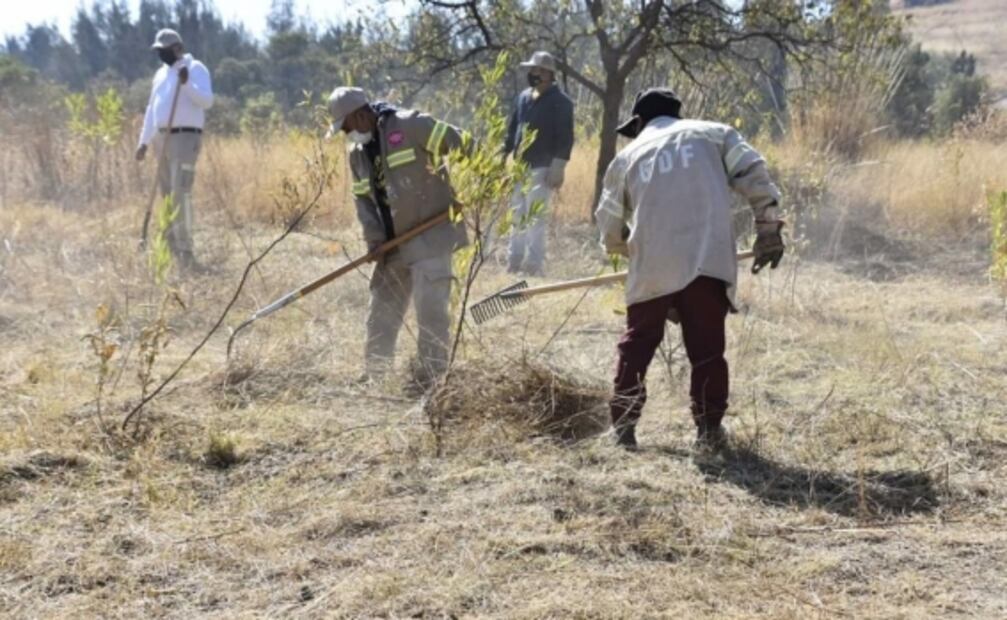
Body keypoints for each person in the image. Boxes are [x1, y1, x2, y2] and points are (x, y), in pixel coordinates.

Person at [595, 88, 785, 452]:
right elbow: (755, 174)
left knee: (637, 346)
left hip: (653, 265)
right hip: (707, 258)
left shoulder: (627, 156)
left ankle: (623, 431)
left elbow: (609, 224)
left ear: (639, 122)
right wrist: (768, 228)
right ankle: (709, 433)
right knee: (708, 349)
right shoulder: (715, 134)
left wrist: (624, 250)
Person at [328, 86, 467, 390]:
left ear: (360, 114)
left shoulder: (410, 125)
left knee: (431, 312)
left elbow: (463, 144)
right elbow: (363, 200)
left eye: (347, 126)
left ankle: (431, 382)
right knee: (381, 310)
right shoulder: (357, 154)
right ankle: (376, 376)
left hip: (429, 234)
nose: (346, 134)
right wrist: (374, 238)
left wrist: (471, 188)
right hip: (392, 245)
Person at [136, 28, 213, 272]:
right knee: (167, 195)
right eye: (159, 51)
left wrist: (186, 82)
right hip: (162, 139)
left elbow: (206, 101)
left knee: (182, 193)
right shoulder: (160, 74)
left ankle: (186, 250)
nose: (161, 55)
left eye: (165, 51)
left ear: (177, 48)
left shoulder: (195, 68)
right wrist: (144, 141)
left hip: (185, 138)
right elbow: (152, 109)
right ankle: (170, 247)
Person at [502, 51, 575, 276]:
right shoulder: (524, 96)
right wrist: (504, 154)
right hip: (520, 167)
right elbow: (513, 127)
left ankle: (533, 266)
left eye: (539, 70)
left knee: (535, 219)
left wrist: (558, 167)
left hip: (542, 168)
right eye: (532, 69)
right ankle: (514, 261)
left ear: (549, 74)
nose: (534, 73)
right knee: (517, 216)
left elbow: (566, 136)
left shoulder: (561, 102)